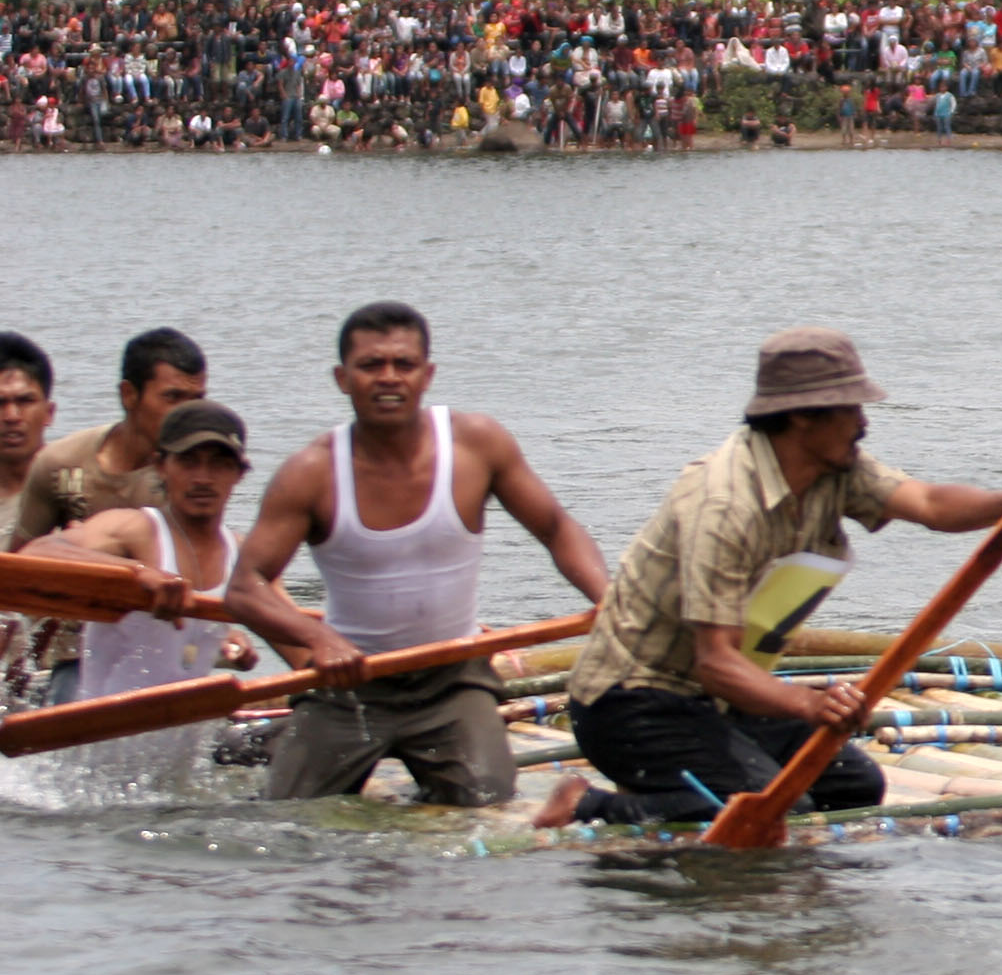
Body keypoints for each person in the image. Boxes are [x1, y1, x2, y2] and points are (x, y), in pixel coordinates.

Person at [531, 328, 1002, 828]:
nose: (863, 423)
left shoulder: (836, 467)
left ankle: (682, 783)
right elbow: (715, 661)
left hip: (721, 698)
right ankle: (586, 802)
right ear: (802, 418)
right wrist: (809, 705)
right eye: (850, 408)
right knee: (771, 807)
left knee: (854, 786)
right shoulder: (724, 504)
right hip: (632, 700)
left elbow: (929, 503)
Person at [220, 304, 611, 809]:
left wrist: (606, 597)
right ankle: (275, 740)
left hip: (454, 682)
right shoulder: (311, 472)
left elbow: (556, 528)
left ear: (427, 375)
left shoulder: (478, 445)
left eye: (403, 364)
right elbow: (245, 587)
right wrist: (318, 639)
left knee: (487, 805)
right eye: (371, 365)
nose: (389, 378)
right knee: (286, 819)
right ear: (343, 379)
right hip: (351, 686)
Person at [24, 401, 254, 780]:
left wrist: (236, 645)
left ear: (239, 474)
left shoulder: (243, 555)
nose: (203, 478)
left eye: (219, 464)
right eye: (188, 462)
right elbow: (37, 552)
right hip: (89, 773)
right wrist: (135, 573)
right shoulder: (134, 529)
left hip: (173, 775)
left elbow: (298, 639)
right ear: (160, 466)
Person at [10, 328, 213, 705]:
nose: (189, 415)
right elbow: (18, 577)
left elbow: (207, 577)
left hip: (163, 649)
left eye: (197, 400)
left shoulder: (196, 483)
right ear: (129, 395)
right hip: (77, 656)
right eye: (173, 398)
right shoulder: (61, 464)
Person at [0, 333, 56, 700]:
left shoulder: (78, 493)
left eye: (24, 401)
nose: (11, 417)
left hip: (58, 679)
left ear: (49, 412)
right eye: (0, 403)